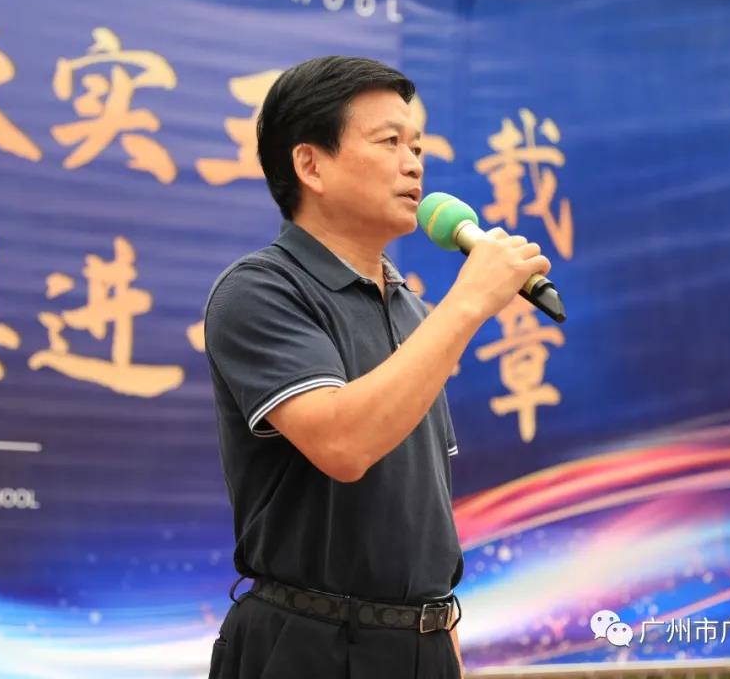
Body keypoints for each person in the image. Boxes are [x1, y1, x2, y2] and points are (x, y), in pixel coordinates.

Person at [203, 55, 551, 679]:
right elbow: (344, 443)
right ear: (310, 164)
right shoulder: (259, 290)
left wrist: (440, 636)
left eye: (416, 146)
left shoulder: (413, 310)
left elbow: (423, 512)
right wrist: (470, 301)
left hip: (424, 645)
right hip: (309, 647)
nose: (413, 163)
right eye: (389, 142)